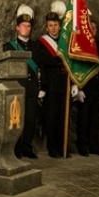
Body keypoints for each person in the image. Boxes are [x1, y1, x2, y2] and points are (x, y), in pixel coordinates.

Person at [3, 11, 40, 159]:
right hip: (17, 88)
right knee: (16, 119)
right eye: (24, 26)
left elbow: (40, 67)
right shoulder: (9, 47)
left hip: (31, 88)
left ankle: (27, 148)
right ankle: (15, 148)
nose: (27, 28)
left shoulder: (36, 46)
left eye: (29, 26)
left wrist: (41, 87)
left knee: (30, 119)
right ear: (17, 28)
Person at [36, 12, 68, 158]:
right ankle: (52, 148)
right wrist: (43, 87)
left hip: (65, 86)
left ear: (60, 26)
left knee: (63, 119)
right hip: (50, 86)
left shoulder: (65, 42)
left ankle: (62, 147)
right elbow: (43, 64)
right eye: (50, 25)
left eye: (55, 25)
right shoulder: (41, 43)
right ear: (46, 28)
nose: (53, 28)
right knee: (52, 118)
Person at [74, 21, 99, 156]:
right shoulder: (81, 44)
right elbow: (77, 67)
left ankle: (94, 146)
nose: (93, 30)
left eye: (95, 28)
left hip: (98, 87)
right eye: (90, 27)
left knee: (96, 120)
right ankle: (82, 146)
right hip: (85, 88)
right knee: (83, 119)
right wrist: (78, 86)